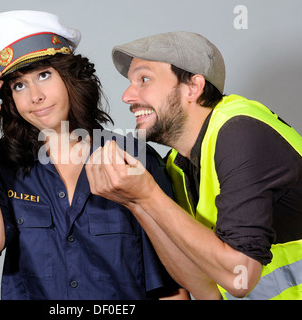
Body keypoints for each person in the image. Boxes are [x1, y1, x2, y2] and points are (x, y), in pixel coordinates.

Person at [0, 10, 187, 300]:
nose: (35, 96)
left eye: (44, 75)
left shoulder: (134, 157)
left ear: (70, 77)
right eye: (19, 85)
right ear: (8, 99)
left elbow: (171, 285)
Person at [85, 31, 302, 300]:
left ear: (193, 87)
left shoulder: (241, 132)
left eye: (144, 79)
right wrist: (136, 203)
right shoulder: (178, 164)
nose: (127, 96)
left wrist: (148, 195)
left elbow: (239, 278)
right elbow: (207, 291)